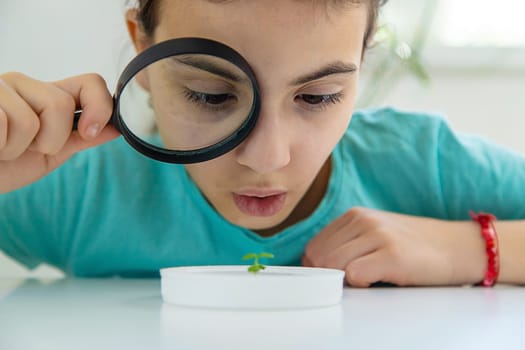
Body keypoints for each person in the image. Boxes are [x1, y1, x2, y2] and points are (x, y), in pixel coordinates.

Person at [0, 0, 524, 287]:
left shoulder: (422, 162)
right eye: (209, 95)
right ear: (143, 45)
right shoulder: (77, 183)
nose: (268, 156)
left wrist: (467, 249)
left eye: (318, 97)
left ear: (365, 57)